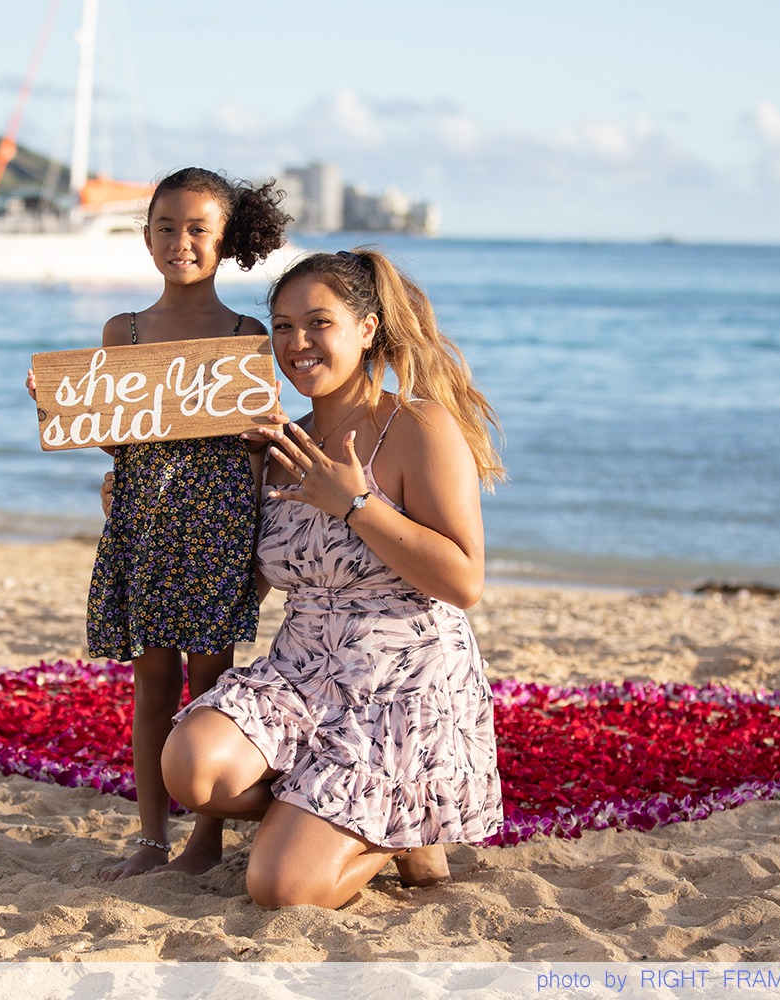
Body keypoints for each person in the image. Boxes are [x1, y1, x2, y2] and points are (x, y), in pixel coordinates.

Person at [160, 247, 505, 909]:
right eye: (282, 327)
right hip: (300, 673)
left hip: (399, 682)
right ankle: (347, 812)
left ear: (367, 329)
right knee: (191, 767)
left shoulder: (418, 426)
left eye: (318, 322)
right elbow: (242, 591)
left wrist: (354, 501)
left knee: (279, 888)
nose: (297, 343)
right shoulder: (276, 443)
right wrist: (149, 499)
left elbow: (463, 581)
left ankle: (395, 831)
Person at [70, 167, 291, 881]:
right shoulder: (123, 331)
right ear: (145, 236)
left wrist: (267, 443)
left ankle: (207, 839)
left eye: (198, 229)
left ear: (224, 241)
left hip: (217, 531)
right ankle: (149, 838)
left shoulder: (245, 333)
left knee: (210, 683)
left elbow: (256, 448)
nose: (181, 241)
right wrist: (66, 408)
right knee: (151, 682)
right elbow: (122, 435)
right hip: (144, 524)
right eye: (166, 227)